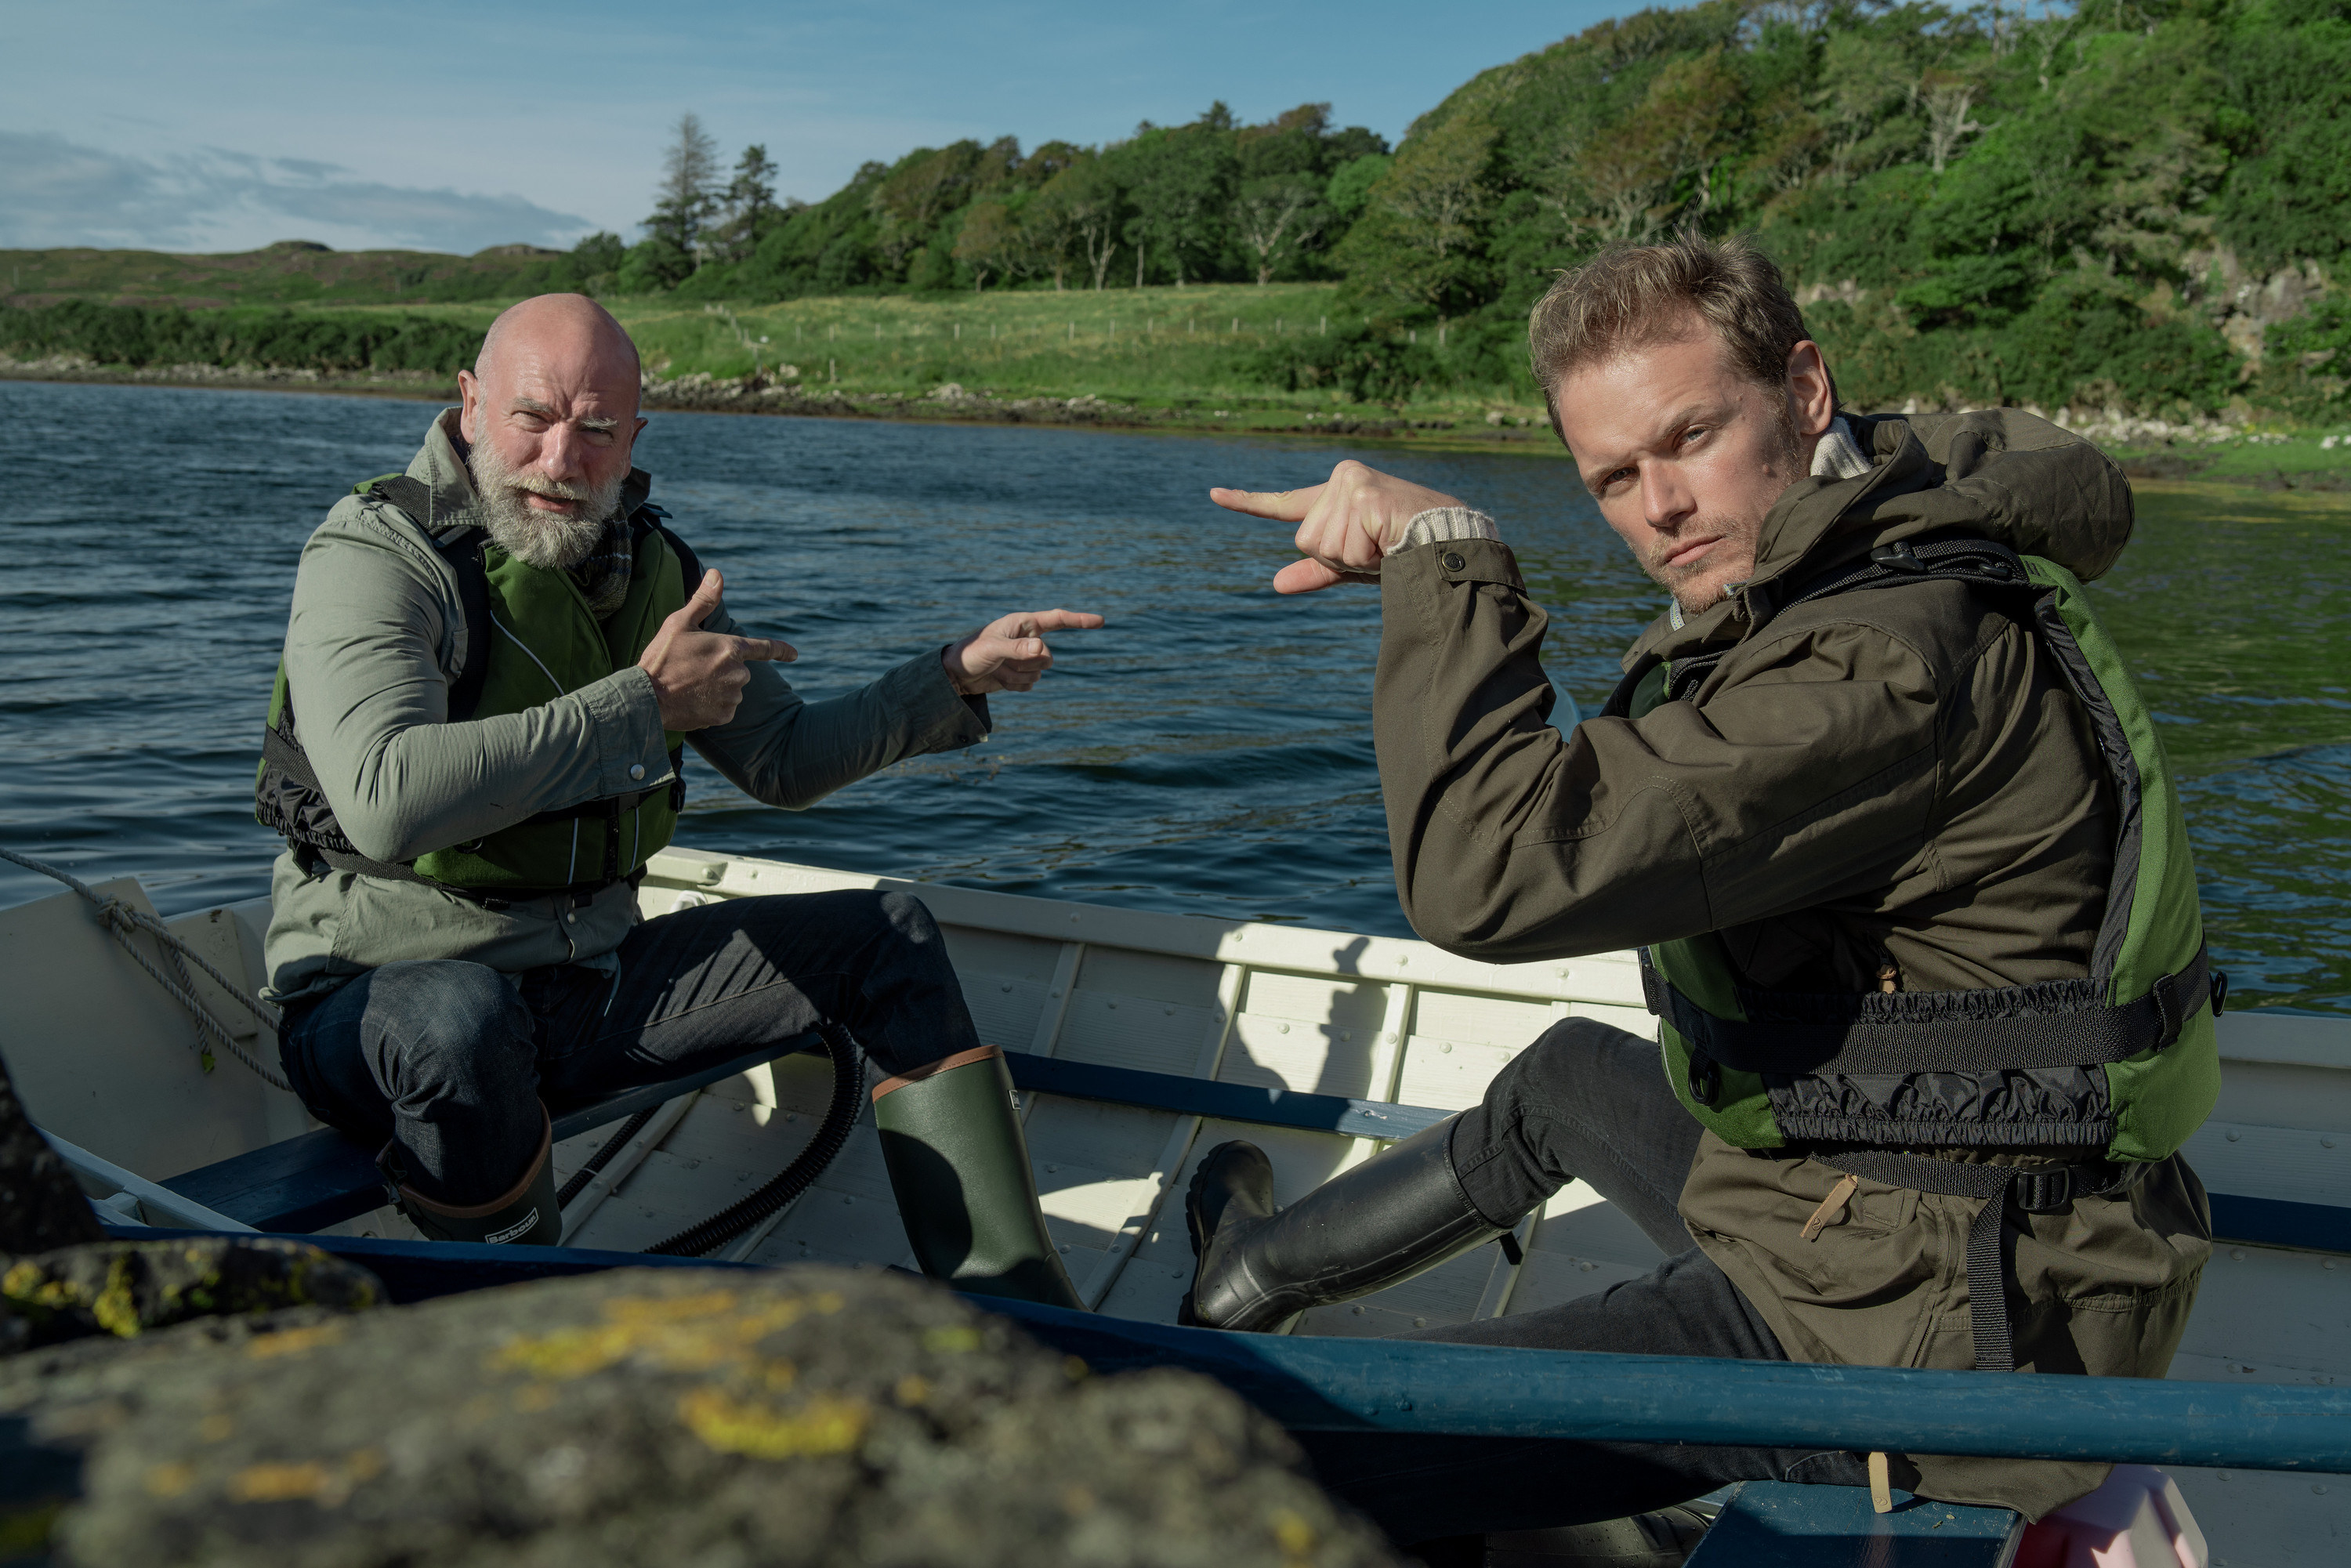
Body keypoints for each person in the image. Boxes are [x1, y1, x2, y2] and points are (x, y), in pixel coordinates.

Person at [1188, 237, 2219, 1543]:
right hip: (1901, 1209)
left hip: (1919, 1322)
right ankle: (1248, 1278)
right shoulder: (1887, 531)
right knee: (1569, 1073)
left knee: (1278, 1452)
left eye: (1689, 437)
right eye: (1613, 476)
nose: (1658, 506)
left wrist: (1446, 552)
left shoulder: (1880, 659)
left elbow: (1492, 874)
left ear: (1804, 389)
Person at [255, 293, 1100, 1307]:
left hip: (587, 988)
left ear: (634, 438)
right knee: (457, 1010)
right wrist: (642, 705)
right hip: (379, 1004)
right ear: (472, 404)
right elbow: (385, 801)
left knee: (890, 933)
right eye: (534, 417)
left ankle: (1019, 1303)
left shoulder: (655, 569)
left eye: (598, 430)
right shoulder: (375, 557)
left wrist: (951, 676)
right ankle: (512, 1339)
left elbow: (785, 759)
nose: (563, 459)